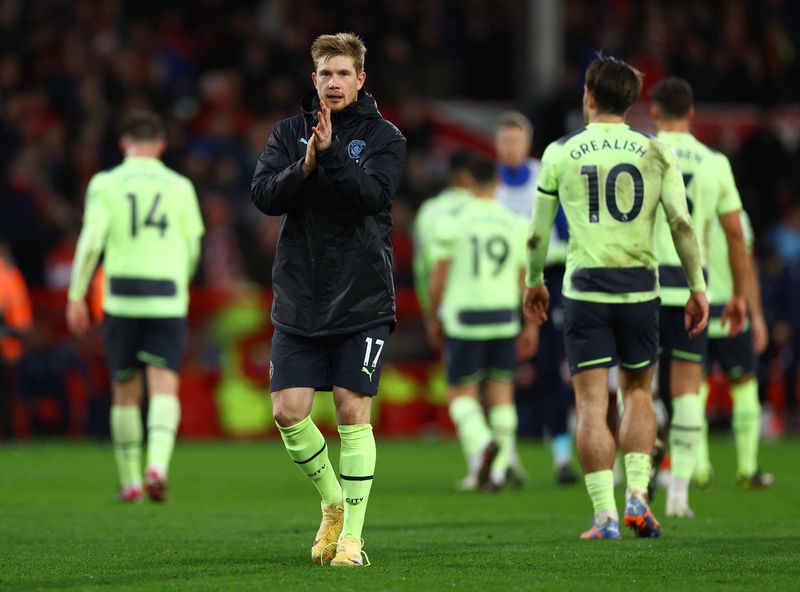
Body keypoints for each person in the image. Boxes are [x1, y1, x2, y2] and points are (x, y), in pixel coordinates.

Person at [523, 55, 708, 540]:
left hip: (585, 290)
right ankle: (639, 498)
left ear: (588, 96)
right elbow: (682, 225)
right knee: (639, 393)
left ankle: (605, 517)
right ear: (631, 101)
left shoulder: (561, 151)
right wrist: (696, 287)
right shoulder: (655, 150)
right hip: (641, 290)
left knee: (589, 402)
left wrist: (533, 280)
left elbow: (537, 234)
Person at [250, 32, 406, 567]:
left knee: (349, 410)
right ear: (312, 79)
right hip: (299, 296)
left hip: (362, 298)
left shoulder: (386, 137)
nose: (333, 82)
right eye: (325, 74)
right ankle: (333, 503)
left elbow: (372, 197)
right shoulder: (289, 133)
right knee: (288, 411)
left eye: (343, 74)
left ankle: (352, 541)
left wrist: (332, 155)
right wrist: (306, 165)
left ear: (361, 80)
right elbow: (264, 197)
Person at [66, 111, 204, 503]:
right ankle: (156, 467)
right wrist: (183, 280)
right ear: (161, 145)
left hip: (121, 297)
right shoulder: (180, 186)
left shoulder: (106, 182)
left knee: (124, 390)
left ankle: (129, 483)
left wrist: (77, 294)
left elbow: (92, 240)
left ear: (124, 143)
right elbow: (193, 246)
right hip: (166, 295)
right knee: (164, 386)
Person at [649, 77, 750, 517]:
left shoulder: (642, 152)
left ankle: (636, 482)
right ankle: (679, 496)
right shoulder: (715, 162)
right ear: (691, 113)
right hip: (694, 288)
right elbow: (734, 236)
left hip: (643, 286)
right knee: (688, 389)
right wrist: (741, 295)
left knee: (639, 386)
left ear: (654, 112)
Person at [427, 155, 529, 491]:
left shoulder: (454, 220)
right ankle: (496, 471)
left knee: (460, 394)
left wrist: (433, 313)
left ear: (468, 182)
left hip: (465, 316)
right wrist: (530, 324)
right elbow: (523, 277)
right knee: (502, 394)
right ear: (498, 183)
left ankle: (482, 447)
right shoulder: (515, 222)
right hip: (504, 316)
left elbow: (439, 276)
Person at [495, 111, 577, 485]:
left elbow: (565, 235)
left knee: (548, 369)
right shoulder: (488, 186)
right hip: (499, 288)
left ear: (527, 144)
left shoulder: (546, 178)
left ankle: (561, 457)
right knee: (499, 374)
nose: (511, 146)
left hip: (547, 283)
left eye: (516, 140)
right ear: (497, 144)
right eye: (505, 140)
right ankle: (506, 459)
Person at [695, 209, 773, 488]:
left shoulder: (684, 202)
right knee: (744, 385)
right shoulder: (736, 214)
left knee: (695, 389)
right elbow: (747, 265)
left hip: (695, 308)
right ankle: (747, 469)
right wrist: (758, 317)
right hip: (732, 309)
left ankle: (700, 470)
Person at [413, 150, 474, 349]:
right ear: (469, 177)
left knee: (457, 377)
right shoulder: (490, 208)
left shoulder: (428, 211)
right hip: (493, 309)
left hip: (446, 309)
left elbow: (422, 268)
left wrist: (429, 314)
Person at [0, 239, 33, 442]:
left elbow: (22, 324)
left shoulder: (9, 276)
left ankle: (11, 434)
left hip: (8, 347)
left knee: (8, 394)